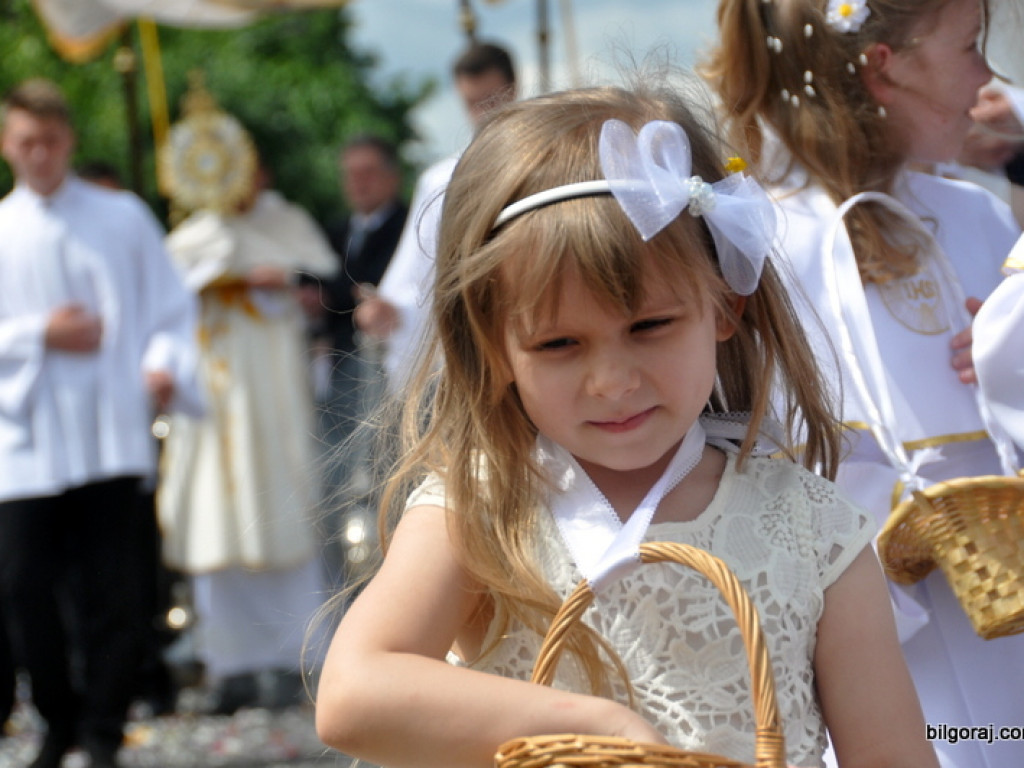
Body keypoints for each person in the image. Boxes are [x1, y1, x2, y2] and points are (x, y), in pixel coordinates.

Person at [314, 84, 936, 768]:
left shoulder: (813, 529)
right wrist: (594, 726)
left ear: (724, 308)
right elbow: (352, 694)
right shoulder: (481, 508)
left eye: (650, 326)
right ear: (496, 348)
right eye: (558, 345)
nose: (612, 381)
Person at [704, 0, 1024, 765]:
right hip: (874, 638)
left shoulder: (975, 214)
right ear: (887, 67)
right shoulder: (764, 245)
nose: (990, 76)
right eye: (970, 46)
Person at [0, 78, 201, 768]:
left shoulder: (122, 218)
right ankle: (57, 719)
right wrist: (37, 335)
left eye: (51, 142)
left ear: (69, 142)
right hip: (27, 443)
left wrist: (161, 363)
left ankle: (102, 731)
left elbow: (172, 311)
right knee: (25, 588)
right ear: (7, 144)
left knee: (118, 591)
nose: (40, 155)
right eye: (27, 142)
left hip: (112, 434)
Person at [157, 159, 338, 714]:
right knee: (218, 518)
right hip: (214, 402)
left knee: (283, 508)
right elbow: (161, 305)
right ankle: (228, 667)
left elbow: (326, 283)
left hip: (275, 398)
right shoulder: (191, 238)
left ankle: (292, 660)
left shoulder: (286, 222)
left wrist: (286, 279)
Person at [354, 41, 517, 391]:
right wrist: (391, 312)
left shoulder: (548, 164)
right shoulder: (442, 180)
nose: (483, 113)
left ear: (513, 90)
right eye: (472, 103)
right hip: (470, 352)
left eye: (491, 99)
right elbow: (417, 278)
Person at [302, 135, 407, 585]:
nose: (359, 184)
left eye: (368, 173)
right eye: (352, 175)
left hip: (392, 375)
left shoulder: (408, 227)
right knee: (339, 482)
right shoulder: (333, 233)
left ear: (391, 176)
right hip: (341, 372)